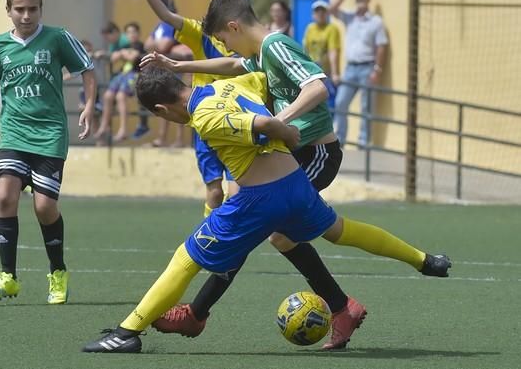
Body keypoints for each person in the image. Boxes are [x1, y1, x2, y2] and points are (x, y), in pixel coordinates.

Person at [80, 67, 450, 353]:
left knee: (185, 258)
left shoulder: (204, 115)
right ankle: (423, 259)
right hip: (296, 187)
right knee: (340, 230)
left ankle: (127, 333)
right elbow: (263, 77)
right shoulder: (231, 85)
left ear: (161, 109)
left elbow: (263, 123)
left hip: (260, 199)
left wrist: (285, 131)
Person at [141, 0, 353, 348]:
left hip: (315, 152)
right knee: (251, 217)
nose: (226, 48)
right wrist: (180, 67)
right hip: (288, 153)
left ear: (234, 27)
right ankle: (198, 313)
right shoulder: (257, 54)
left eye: (224, 41)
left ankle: (342, 307)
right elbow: (234, 67)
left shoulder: (275, 46)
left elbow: (318, 88)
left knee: (272, 232)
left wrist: (276, 121)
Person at [0, 0, 95, 305]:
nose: (26, 15)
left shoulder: (57, 38)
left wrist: (89, 106)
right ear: (8, 11)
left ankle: (58, 272)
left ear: (40, 9)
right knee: (5, 196)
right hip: (14, 133)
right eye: (19, 9)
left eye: (31, 9)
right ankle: (8, 277)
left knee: (44, 206)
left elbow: (88, 69)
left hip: (49, 134)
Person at [130, 0, 240, 217]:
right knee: (215, 192)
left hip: (236, 118)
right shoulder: (200, 33)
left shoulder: (248, 39)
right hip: (204, 119)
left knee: (238, 191)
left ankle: (229, 243)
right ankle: (209, 242)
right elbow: (165, 15)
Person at [329, 0, 389, 147]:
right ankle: (339, 139)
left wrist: (377, 69)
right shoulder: (350, 17)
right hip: (350, 68)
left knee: (366, 106)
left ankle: (363, 141)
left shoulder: (375, 22)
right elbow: (332, 9)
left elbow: (381, 46)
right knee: (341, 102)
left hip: (367, 67)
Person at [143, 0, 190, 148]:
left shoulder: (172, 23)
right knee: (164, 104)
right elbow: (147, 44)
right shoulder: (159, 25)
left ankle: (179, 140)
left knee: (180, 102)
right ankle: (162, 138)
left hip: (178, 68)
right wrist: (158, 45)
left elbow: (162, 46)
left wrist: (157, 45)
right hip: (165, 69)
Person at [94, 22, 144, 143]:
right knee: (107, 96)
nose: (131, 35)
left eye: (133, 32)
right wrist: (123, 54)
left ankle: (123, 130)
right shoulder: (125, 45)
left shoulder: (138, 45)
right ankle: (104, 126)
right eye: (128, 32)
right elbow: (113, 58)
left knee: (121, 96)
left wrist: (122, 53)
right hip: (123, 74)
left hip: (134, 74)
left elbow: (132, 57)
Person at [303, 0, 342, 112]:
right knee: (312, 104)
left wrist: (334, 73)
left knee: (329, 104)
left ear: (327, 14)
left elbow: (333, 51)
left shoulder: (332, 29)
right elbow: (305, 49)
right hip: (312, 72)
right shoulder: (310, 28)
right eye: (317, 12)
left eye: (323, 11)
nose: (320, 14)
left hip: (326, 73)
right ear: (313, 14)